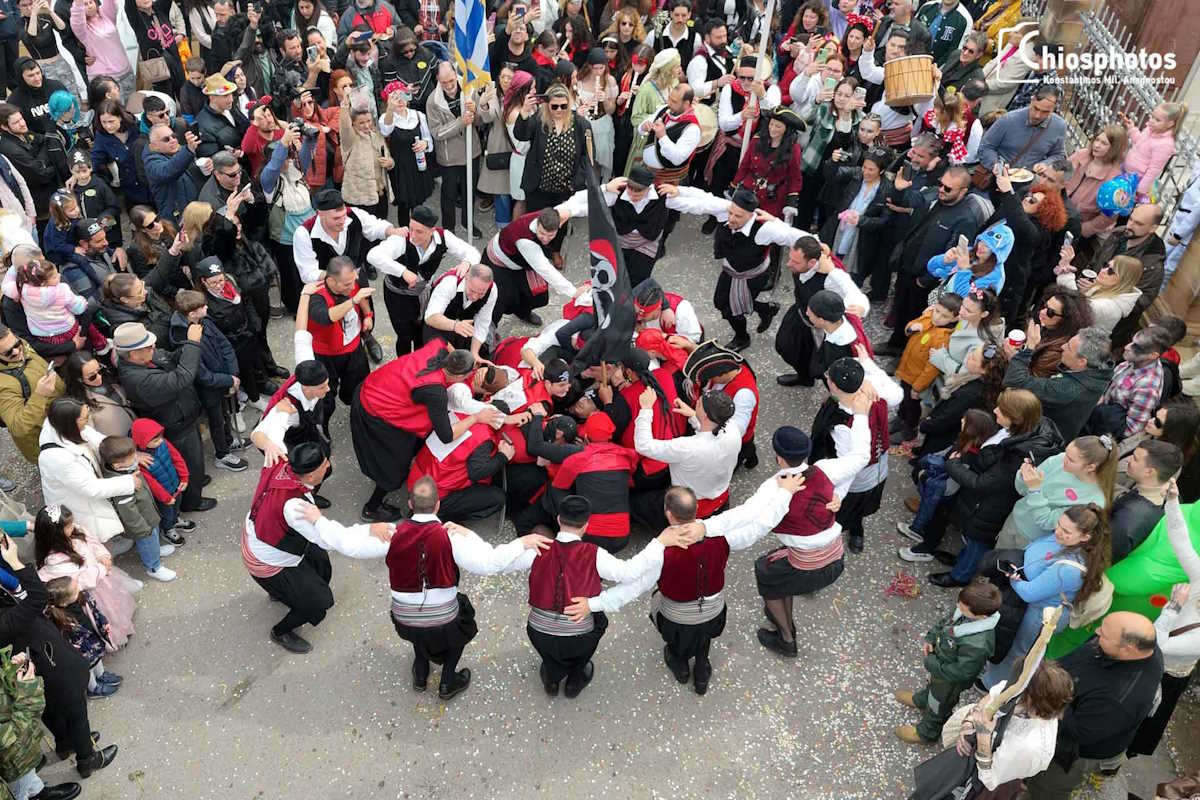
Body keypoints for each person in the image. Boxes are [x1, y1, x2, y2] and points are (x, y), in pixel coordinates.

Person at [386, 477, 551, 701]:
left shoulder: (390, 533)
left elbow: (347, 542)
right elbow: (490, 563)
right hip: (442, 620)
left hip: (404, 618)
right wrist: (522, 542)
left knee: (419, 624)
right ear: (438, 505)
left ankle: (421, 673)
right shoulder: (450, 537)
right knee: (458, 629)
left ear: (411, 504)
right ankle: (447, 682)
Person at [520, 495, 688, 698]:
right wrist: (659, 543)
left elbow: (499, 563)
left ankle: (552, 679)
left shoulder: (537, 549)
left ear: (558, 520)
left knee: (549, 654)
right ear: (586, 525)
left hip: (539, 629)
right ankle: (575, 679)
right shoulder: (594, 553)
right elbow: (629, 572)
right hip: (579, 632)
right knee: (595, 626)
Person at [243, 441, 394, 654]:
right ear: (313, 476)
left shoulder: (279, 460)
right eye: (325, 463)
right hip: (267, 559)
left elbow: (266, 430)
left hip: (262, 535)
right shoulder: (297, 508)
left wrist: (266, 442)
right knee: (318, 602)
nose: (328, 464)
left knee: (321, 565)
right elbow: (336, 541)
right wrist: (369, 530)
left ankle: (282, 592)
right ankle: (280, 631)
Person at [0, 532, 118, 780]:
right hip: (41, 655)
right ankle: (88, 758)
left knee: (51, 706)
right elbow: (36, 599)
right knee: (74, 702)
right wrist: (16, 563)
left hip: (31, 656)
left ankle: (67, 743)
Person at [910, 388, 1061, 580]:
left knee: (976, 541)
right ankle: (961, 561)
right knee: (972, 541)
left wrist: (953, 465)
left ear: (1014, 417)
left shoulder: (1017, 454)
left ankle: (960, 576)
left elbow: (981, 483)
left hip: (988, 506)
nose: (995, 411)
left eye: (1002, 410)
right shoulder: (1019, 432)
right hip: (982, 502)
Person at [350, 340, 501, 521]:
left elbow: (446, 342)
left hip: (376, 387)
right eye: (470, 374)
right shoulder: (435, 391)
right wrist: (476, 417)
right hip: (377, 411)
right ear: (459, 376)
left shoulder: (440, 348)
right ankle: (371, 508)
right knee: (392, 467)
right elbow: (447, 435)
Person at [1023, 611, 1163, 800]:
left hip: (1073, 751)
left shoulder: (1120, 699)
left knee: (1047, 787)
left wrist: (1044, 699)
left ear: (1129, 649)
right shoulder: (1130, 647)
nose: (1097, 632)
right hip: (1069, 703)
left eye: (1104, 635)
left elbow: (1079, 733)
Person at [985, 504, 1112, 690]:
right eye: (1059, 525)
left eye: (1066, 531)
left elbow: (1029, 593)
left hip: (1039, 616)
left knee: (1018, 650)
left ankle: (995, 686)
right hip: (1035, 605)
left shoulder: (1069, 569)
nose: (1057, 532)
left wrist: (1013, 578)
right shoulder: (1066, 542)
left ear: (1086, 537)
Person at [1127, 479, 1199, 759]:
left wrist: (1172, 608)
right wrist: (1172, 501)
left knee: (1142, 718)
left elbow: (1160, 643)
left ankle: (1117, 758)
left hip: (1165, 671)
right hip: (1155, 655)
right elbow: (1181, 541)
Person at [876, 165, 980, 356]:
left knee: (918, 317)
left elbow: (955, 258)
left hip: (925, 278)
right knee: (900, 309)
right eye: (941, 184)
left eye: (948, 188)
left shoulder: (965, 219)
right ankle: (895, 344)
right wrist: (899, 190)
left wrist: (926, 280)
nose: (942, 189)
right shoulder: (935, 197)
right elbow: (911, 200)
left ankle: (906, 355)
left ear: (963, 191)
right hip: (908, 266)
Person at [113, 321, 216, 513]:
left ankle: (196, 480)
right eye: (148, 346)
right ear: (133, 354)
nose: (154, 347)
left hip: (183, 416)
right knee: (188, 461)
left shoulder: (143, 360)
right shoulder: (139, 380)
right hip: (176, 425)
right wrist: (192, 344)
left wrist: (186, 346)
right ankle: (191, 501)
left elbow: (169, 357)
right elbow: (182, 377)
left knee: (194, 460)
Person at [893, 579, 1001, 744]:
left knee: (939, 705)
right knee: (932, 687)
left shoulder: (978, 644)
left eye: (962, 607)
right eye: (959, 603)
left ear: (982, 616)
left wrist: (932, 664)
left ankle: (927, 732)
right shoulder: (964, 610)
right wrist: (931, 638)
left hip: (950, 681)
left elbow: (962, 672)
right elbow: (945, 623)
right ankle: (922, 700)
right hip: (941, 667)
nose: (957, 606)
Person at [629, 386, 741, 531]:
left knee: (636, 503)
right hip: (719, 496)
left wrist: (645, 409)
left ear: (706, 415)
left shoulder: (687, 447)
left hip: (688, 505)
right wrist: (694, 416)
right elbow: (711, 431)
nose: (696, 405)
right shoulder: (734, 431)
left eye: (698, 404)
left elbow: (644, 445)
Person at [167, 287, 250, 474]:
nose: (207, 308)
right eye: (203, 307)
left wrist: (233, 375)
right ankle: (222, 454)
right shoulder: (181, 337)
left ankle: (229, 442)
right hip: (207, 389)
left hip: (223, 380)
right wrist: (227, 380)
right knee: (217, 420)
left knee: (225, 415)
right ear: (191, 313)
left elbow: (224, 344)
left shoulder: (204, 321)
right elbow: (201, 375)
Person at [993, 434, 1116, 551]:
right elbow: (1023, 490)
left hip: (1032, 539)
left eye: (1071, 460)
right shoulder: (1060, 459)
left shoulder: (1093, 500)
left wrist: (1035, 489)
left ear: (1090, 467)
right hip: (1015, 518)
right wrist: (1023, 475)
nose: (1064, 459)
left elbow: (1046, 521)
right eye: (1066, 453)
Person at [1004, 327, 1114, 442]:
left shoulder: (1067, 390)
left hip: (1037, 440)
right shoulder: (1100, 370)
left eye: (1069, 348)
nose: (1063, 347)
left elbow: (1015, 381)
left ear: (1082, 362)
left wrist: (1024, 352)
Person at [97, 436, 176, 582]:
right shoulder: (121, 486)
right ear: (117, 465)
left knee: (152, 540)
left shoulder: (127, 469)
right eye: (132, 457)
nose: (136, 458)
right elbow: (129, 513)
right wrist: (141, 529)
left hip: (148, 516)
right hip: (142, 525)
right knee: (147, 542)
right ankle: (154, 567)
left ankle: (156, 551)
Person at [305, 256, 372, 427]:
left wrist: (368, 315)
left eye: (352, 282)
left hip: (353, 347)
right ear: (330, 281)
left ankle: (357, 411)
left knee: (360, 386)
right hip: (326, 355)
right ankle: (322, 426)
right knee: (326, 397)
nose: (351, 287)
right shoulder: (316, 296)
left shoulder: (349, 284)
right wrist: (353, 301)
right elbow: (326, 317)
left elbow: (359, 294)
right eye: (346, 285)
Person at [891, 293, 962, 443]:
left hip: (917, 378)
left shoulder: (942, 338)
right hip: (907, 369)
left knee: (912, 405)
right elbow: (909, 327)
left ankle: (910, 429)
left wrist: (918, 387)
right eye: (936, 311)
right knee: (904, 397)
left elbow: (932, 368)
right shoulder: (929, 317)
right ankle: (900, 418)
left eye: (944, 316)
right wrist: (912, 328)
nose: (937, 317)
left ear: (955, 318)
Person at [426, 62, 485, 238]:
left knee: (470, 190)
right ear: (437, 79)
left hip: (471, 150)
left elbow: (480, 123)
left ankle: (468, 223)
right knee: (449, 194)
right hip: (449, 155)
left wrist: (476, 113)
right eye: (444, 82)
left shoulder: (468, 88)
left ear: (455, 74)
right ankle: (448, 228)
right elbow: (437, 133)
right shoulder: (433, 101)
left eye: (451, 80)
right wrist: (461, 122)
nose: (450, 85)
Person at [0, 323, 63, 463]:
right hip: (47, 441)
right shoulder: (3, 386)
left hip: (61, 421)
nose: (16, 351)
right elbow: (18, 427)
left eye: (16, 344)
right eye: (7, 353)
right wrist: (41, 394)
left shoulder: (19, 344)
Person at [1110, 440, 1181, 562]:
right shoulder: (1172, 497)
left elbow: (1105, 555)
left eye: (1135, 459)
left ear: (1149, 472)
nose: (1129, 461)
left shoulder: (1128, 520)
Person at [976, 85, 1067, 172]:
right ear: (1032, 100)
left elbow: (1058, 154)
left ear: (1054, 109)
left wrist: (1045, 164)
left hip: (1029, 182)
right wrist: (995, 165)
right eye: (1035, 108)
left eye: (1045, 112)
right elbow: (986, 146)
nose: (1037, 115)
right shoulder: (1009, 119)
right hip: (997, 178)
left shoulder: (1059, 126)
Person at [1098, 327, 1167, 440]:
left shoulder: (1147, 388)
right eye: (1132, 342)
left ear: (1153, 355)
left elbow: (1130, 430)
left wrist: (1101, 410)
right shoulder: (1138, 361)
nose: (1127, 347)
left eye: (1137, 347)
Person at [422, 265, 498, 357]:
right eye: (472, 290)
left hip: (463, 325)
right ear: (466, 278)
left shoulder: (492, 290)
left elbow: (482, 322)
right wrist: (455, 325)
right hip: (438, 324)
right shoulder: (449, 283)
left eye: (481, 293)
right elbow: (430, 317)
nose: (475, 297)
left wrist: (474, 353)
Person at [141, 124, 202, 225]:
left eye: (173, 136)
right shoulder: (151, 162)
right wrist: (189, 151)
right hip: (176, 216)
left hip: (194, 208)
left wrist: (206, 166)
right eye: (166, 139)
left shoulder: (180, 150)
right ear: (154, 146)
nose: (173, 140)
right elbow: (168, 171)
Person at [61, 352, 132, 438]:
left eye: (100, 371)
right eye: (92, 377)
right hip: (121, 445)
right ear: (79, 379)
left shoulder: (109, 377)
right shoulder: (79, 406)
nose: (99, 377)